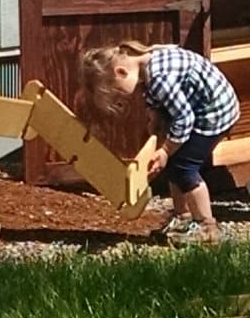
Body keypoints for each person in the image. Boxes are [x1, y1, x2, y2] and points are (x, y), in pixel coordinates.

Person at [79, 41, 239, 245]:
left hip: (214, 114)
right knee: (174, 164)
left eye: (118, 93)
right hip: (200, 106)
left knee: (183, 166)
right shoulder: (146, 63)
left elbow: (184, 119)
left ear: (120, 72)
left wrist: (165, 150)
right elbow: (155, 96)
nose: (123, 97)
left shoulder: (159, 78)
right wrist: (154, 117)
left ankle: (208, 228)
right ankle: (183, 217)